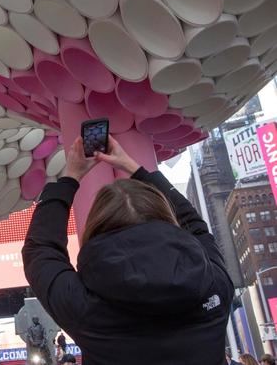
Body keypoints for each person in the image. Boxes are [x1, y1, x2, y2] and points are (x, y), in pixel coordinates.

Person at [22, 136, 235, 364]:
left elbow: (40, 249)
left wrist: (70, 177)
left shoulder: (84, 309)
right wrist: (132, 167)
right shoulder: (215, 284)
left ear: (96, 227)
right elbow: (196, 226)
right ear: (166, 217)